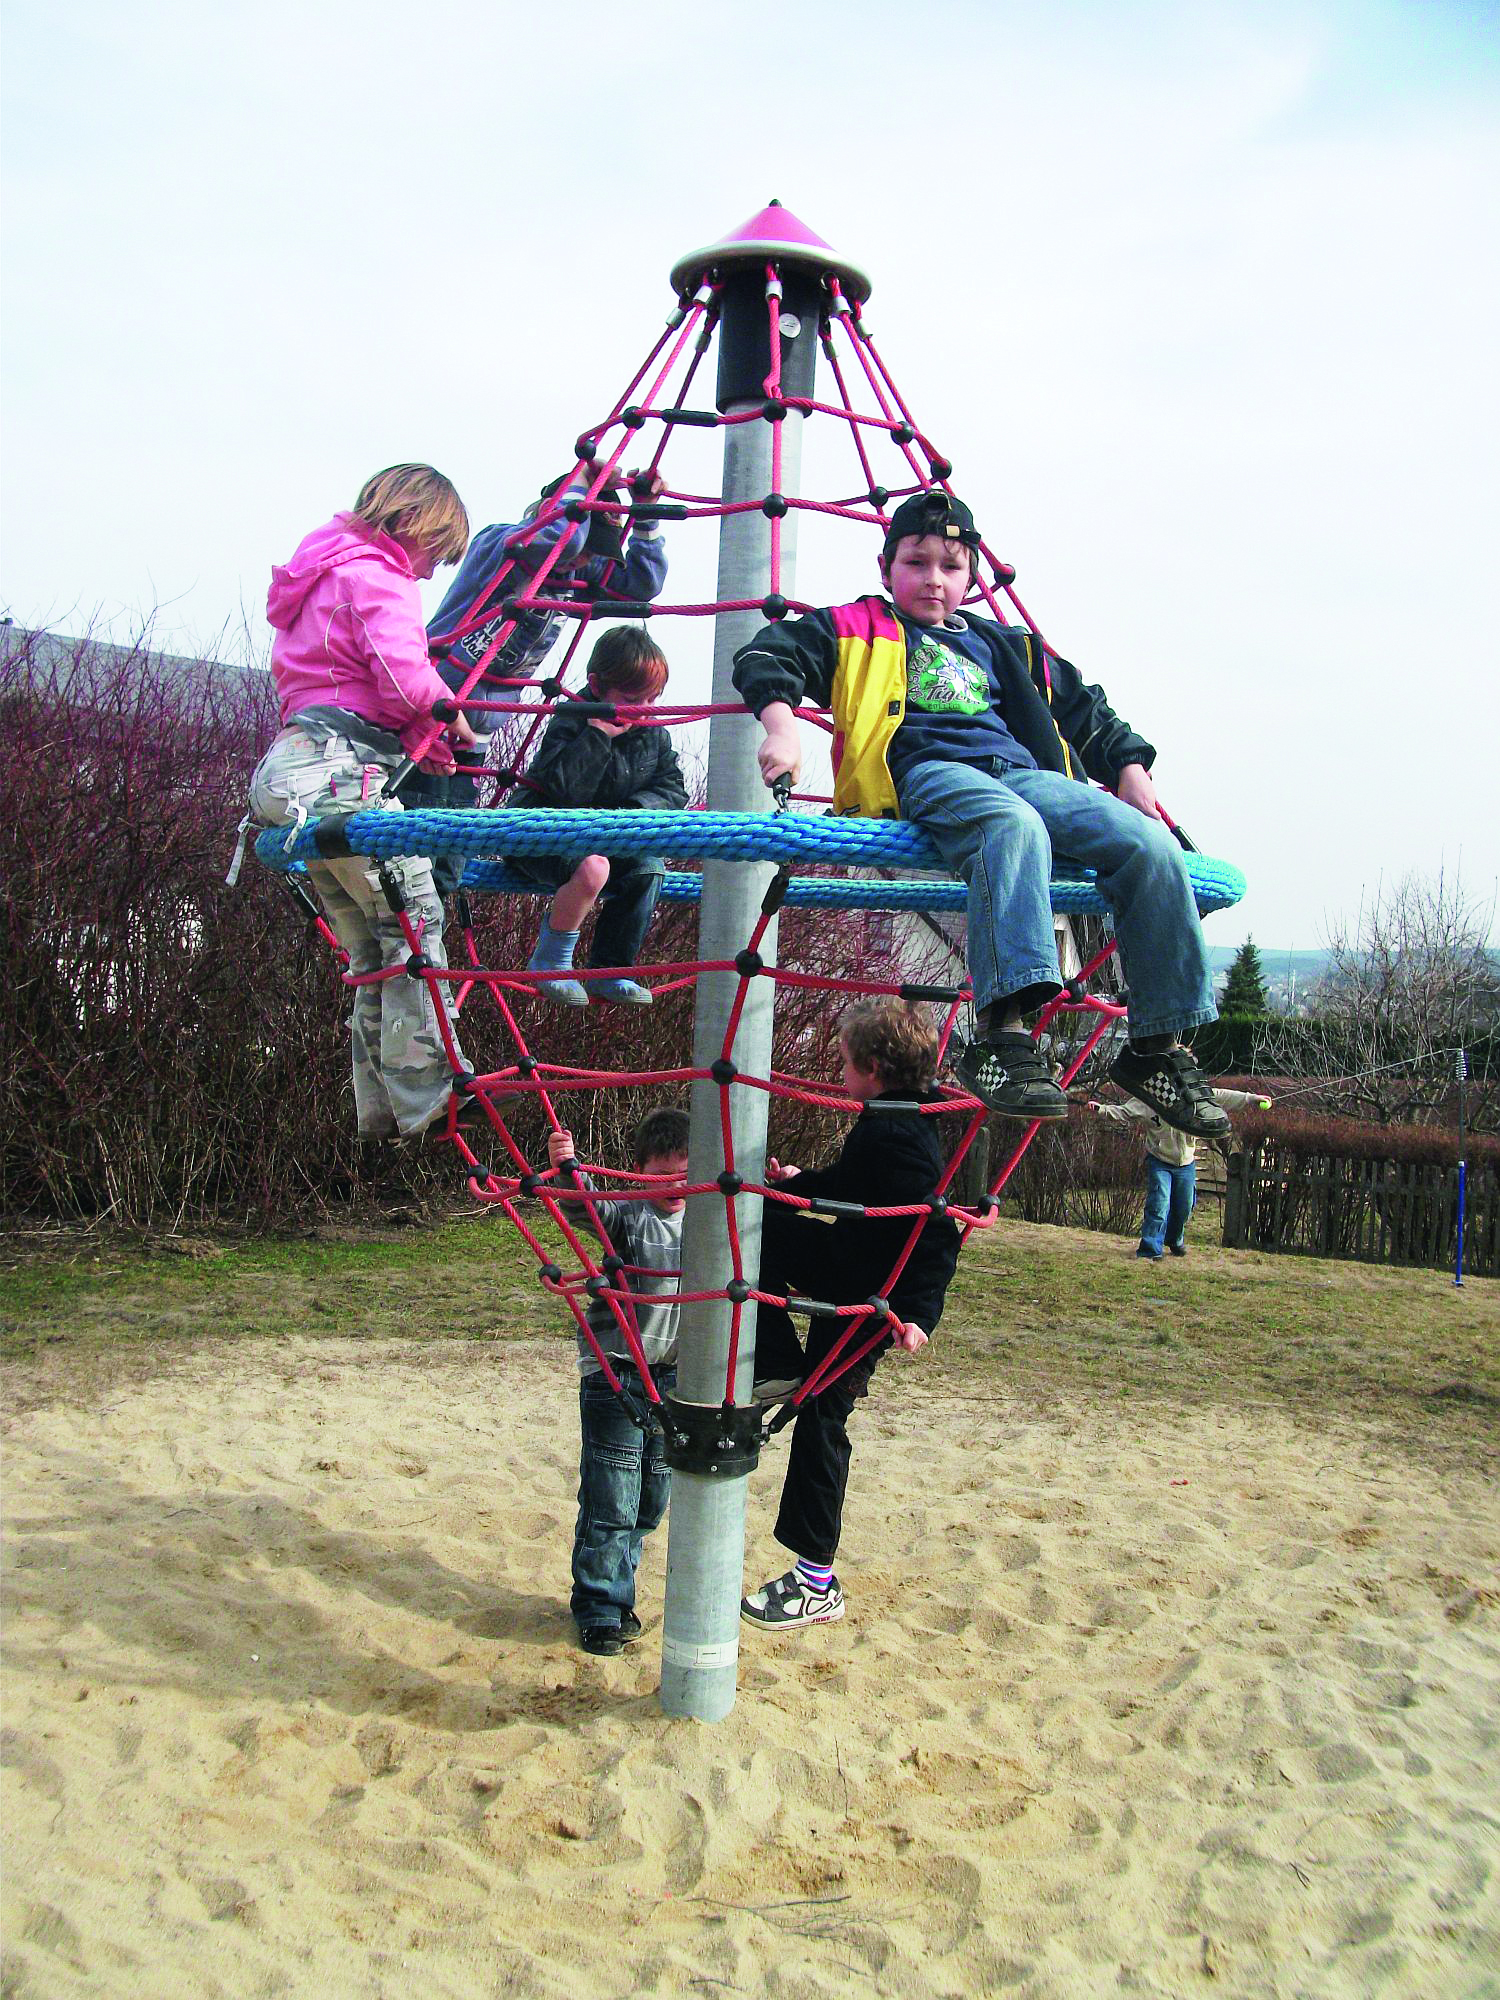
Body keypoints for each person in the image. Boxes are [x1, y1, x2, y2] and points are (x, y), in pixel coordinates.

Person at [732, 488, 1231, 1142]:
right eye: (916, 562)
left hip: (1021, 775)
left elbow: (1085, 707)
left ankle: (1156, 1046)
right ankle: (1003, 1032)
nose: (933, 578)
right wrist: (782, 729)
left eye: (950, 565)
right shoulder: (859, 627)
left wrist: (1129, 771)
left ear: (970, 577)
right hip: (930, 773)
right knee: (1011, 827)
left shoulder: (1003, 645)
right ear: (886, 569)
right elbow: (768, 656)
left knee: (1148, 845)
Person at [249, 465, 480, 1140]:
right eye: (435, 555)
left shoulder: (320, 573)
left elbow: (349, 679)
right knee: (413, 923)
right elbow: (403, 669)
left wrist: (416, 735)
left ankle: (384, 1106)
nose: (431, 575)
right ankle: (433, 1091)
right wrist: (449, 714)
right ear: (412, 524)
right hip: (336, 776)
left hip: (298, 771)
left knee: (376, 950)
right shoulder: (376, 574)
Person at [741, 999, 961, 1632]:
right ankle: (779, 1362)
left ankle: (816, 1582)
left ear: (872, 1066)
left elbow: (935, 1225)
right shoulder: (902, 1111)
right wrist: (798, 1180)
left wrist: (919, 1312)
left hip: (873, 1299)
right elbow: (857, 1187)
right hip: (852, 1268)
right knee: (761, 1222)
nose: (837, 1073)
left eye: (842, 1062)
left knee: (822, 1416)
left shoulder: (898, 1130)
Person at [403, 464, 670, 896]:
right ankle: (405, 954)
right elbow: (554, 541)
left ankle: (419, 954)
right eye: (587, 545)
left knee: (443, 873)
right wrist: (582, 482)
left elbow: (641, 585)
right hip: (426, 719)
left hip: (471, 742)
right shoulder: (502, 544)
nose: (587, 559)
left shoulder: (575, 577)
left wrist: (647, 514)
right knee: (414, 866)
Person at [545, 1110, 691, 1656]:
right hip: (616, 1371)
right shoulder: (628, 1216)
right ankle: (601, 1606)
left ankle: (615, 1589)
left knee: (652, 1496)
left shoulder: (707, 1222)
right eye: (663, 1176)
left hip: (675, 1380)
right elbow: (584, 1207)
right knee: (613, 1495)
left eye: (686, 1175)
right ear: (638, 1172)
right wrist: (567, 1167)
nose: (676, 1187)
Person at [506, 625, 686, 1006]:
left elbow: (673, 790)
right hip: (543, 833)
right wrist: (598, 736)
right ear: (596, 686)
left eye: (653, 699)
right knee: (594, 868)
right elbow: (563, 790)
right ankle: (551, 961)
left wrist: (631, 814)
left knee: (648, 869)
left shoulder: (652, 733)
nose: (644, 709)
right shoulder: (571, 719)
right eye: (633, 698)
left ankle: (611, 968)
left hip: (608, 837)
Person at [1085, 1087, 1271, 1260]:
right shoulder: (1150, 1099)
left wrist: (1251, 1099)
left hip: (1186, 1163)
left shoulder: (1194, 1094)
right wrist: (1101, 1109)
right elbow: (1124, 1111)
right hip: (1159, 1160)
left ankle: (1174, 1240)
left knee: (1184, 1206)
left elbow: (1221, 1096)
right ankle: (1150, 1249)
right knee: (1159, 1203)